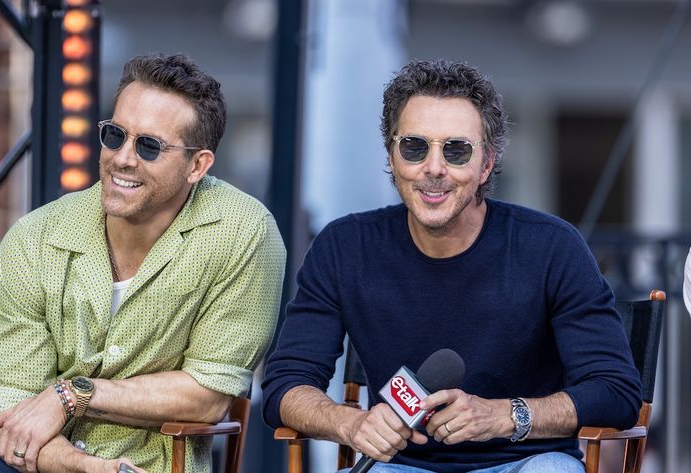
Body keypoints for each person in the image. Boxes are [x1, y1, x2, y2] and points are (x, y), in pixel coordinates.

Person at [0, 54, 285, 473]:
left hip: (151, 463)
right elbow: (11, 416)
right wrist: (88, 467)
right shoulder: (35, 237)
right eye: (115, 135)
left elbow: (207, 396)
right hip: (20, 460)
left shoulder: (243, 234)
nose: (122, 158)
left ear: (197, 165)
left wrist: (71, 394)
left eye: (149, 146)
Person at [262, 59, 641, 473]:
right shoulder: (344, 246)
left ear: (487, 164)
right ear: (391, 154)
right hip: (397, 465)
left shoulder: (552, 247)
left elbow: (615, 392)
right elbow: (285, 385)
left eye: (457, 150)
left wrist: (503, 416)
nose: (434, 168)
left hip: (527, 461)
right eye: (415, 147)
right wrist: (350, 423)